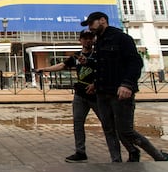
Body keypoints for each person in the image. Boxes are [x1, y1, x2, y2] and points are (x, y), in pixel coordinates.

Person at [35, 30, 139, 163]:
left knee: (110, 126)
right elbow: (62, 65)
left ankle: (129, 151)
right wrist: (44, 69)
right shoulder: (77, 56)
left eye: (90, 38)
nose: (88, 41)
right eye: (85, 38)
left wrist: (95, 84)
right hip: (80, 95)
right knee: (78, 123)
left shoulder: (99, 55)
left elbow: (107, 71)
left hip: (97, 96)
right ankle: (80, 151)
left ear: (94, 39)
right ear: (80, 40)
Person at [82, 11, 168, 162]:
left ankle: (158, 156)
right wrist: (94, 80)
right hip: (102, 92)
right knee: (108, 129)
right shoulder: (99, 41)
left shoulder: (121, 38)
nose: (90, 28)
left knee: (126, 131)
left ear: (102, 20)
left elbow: (135, 63)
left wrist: (127, 84)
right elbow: (104, 66)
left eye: (91, 23)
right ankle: (116, 160)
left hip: (119, 93)